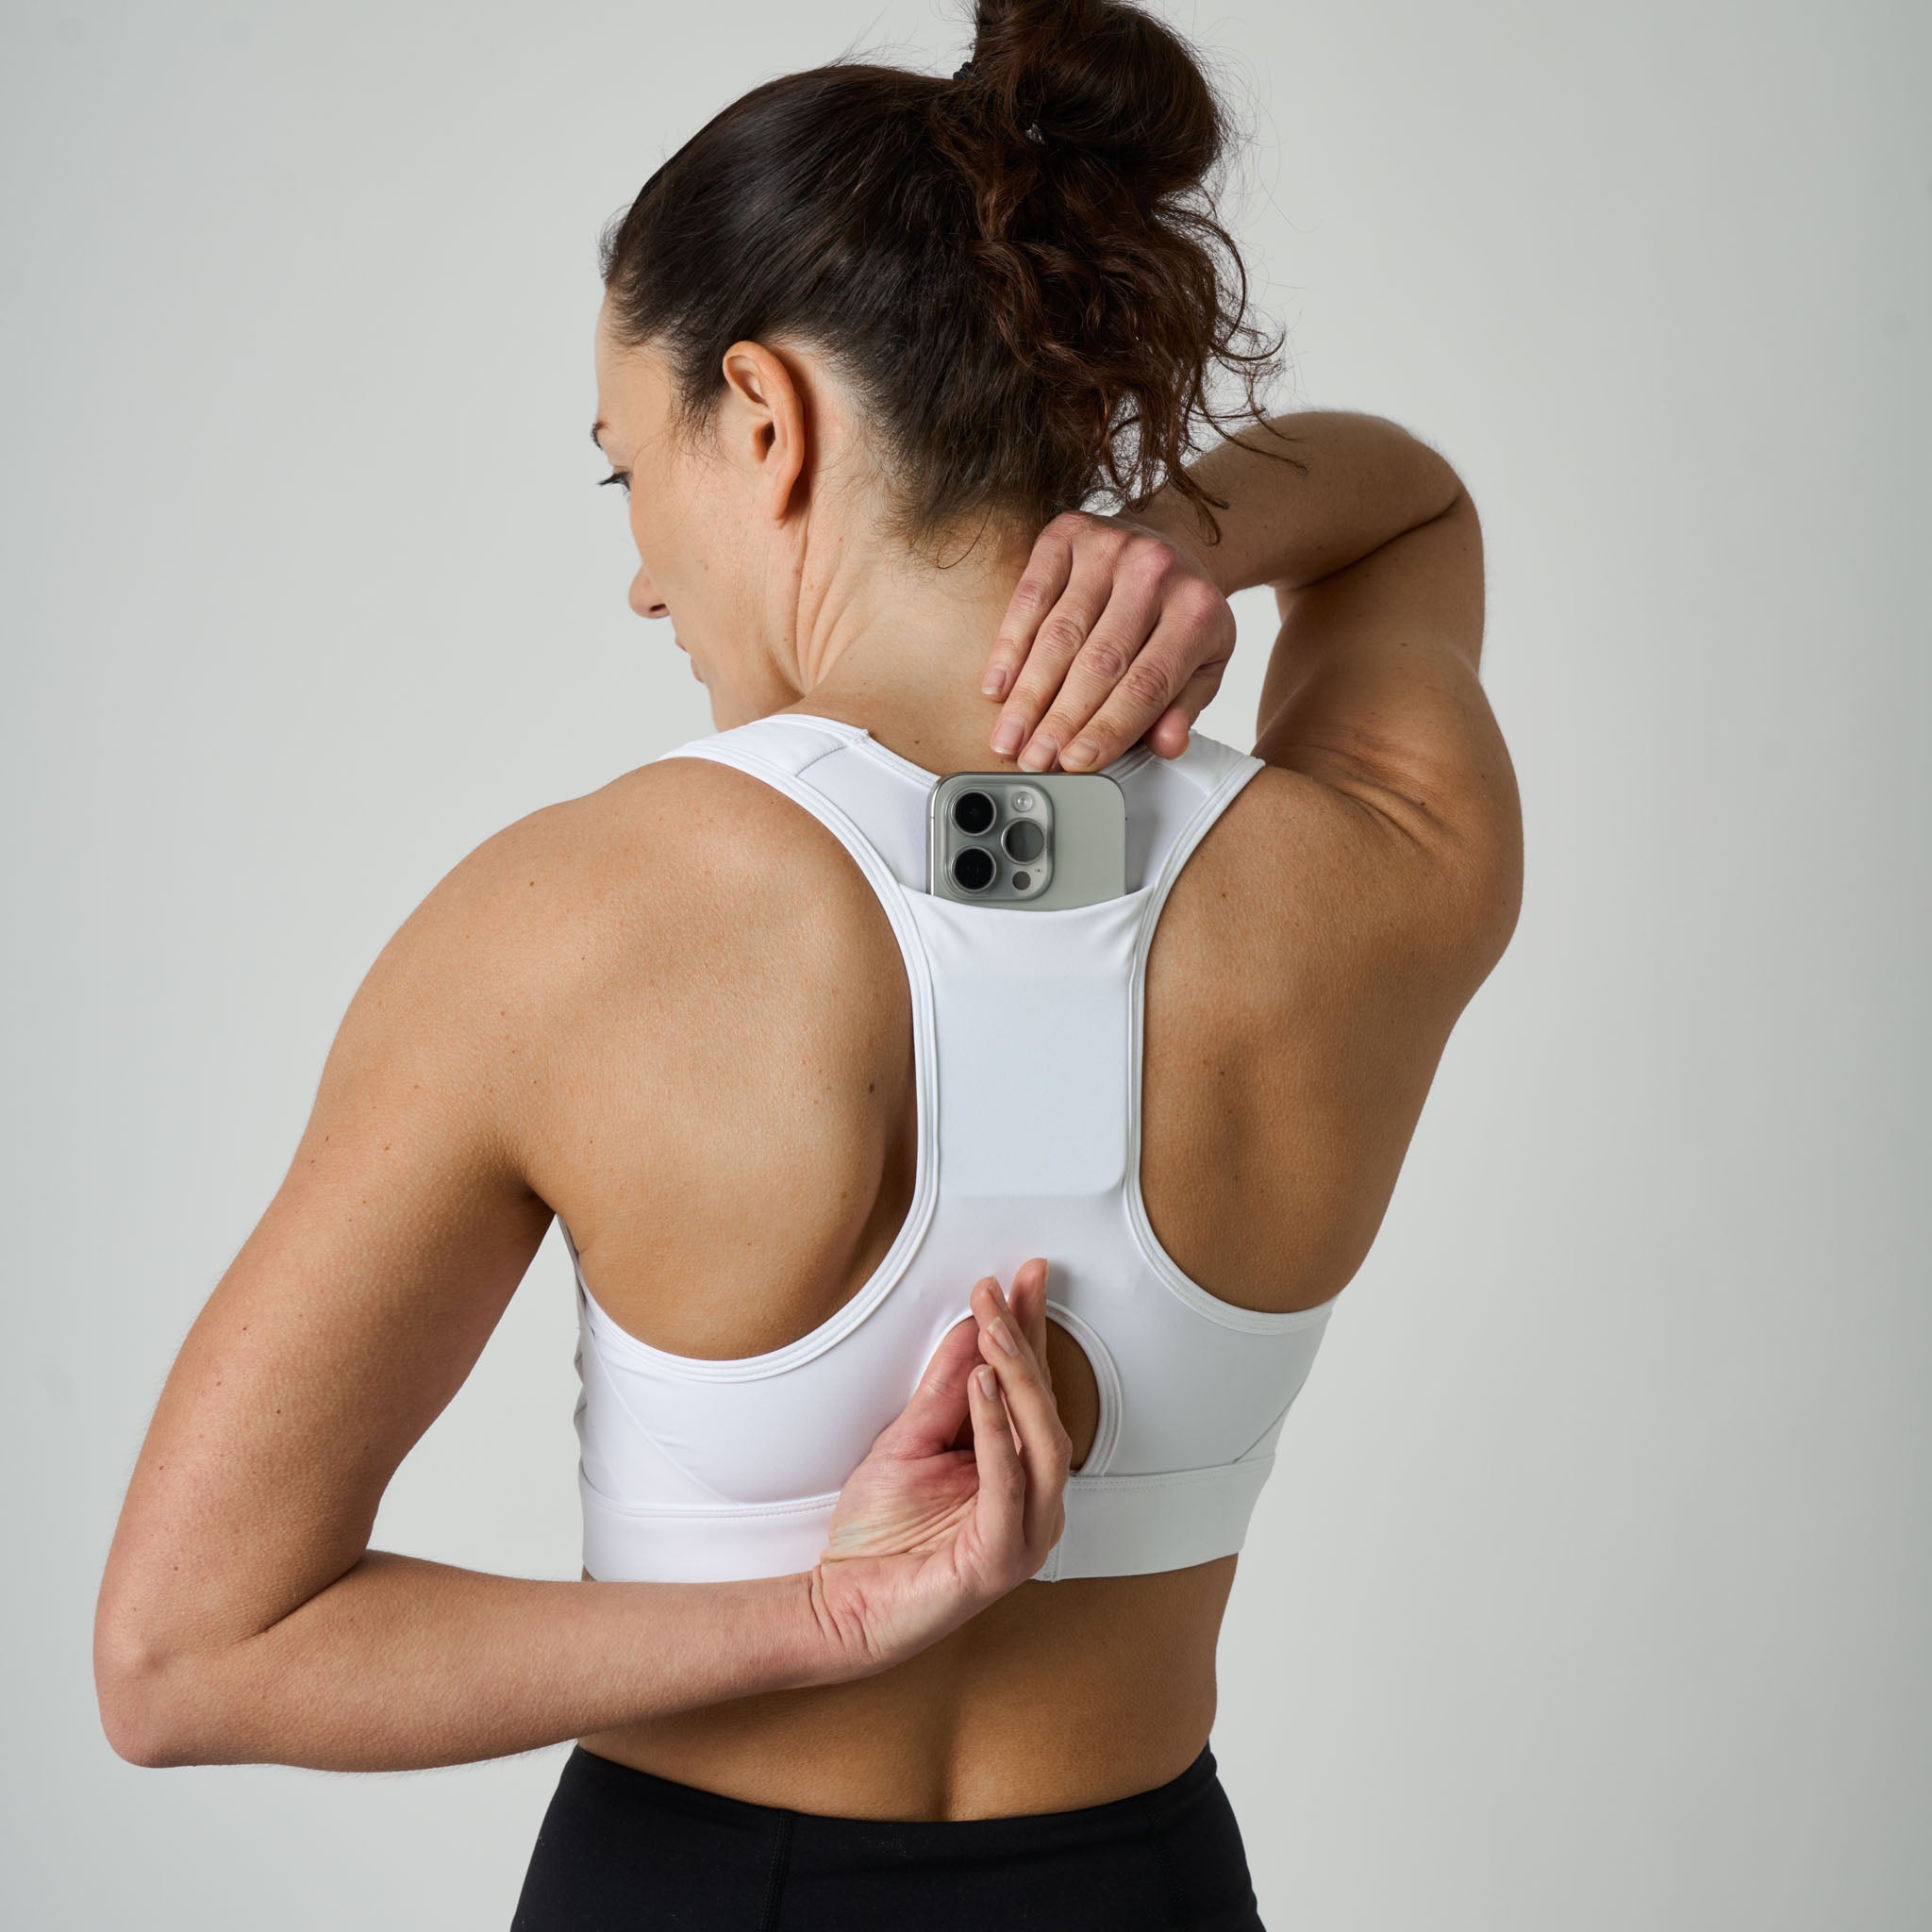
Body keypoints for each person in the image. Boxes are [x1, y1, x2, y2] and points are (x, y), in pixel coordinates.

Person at [94, 2, 1522, 1925]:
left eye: (630, 472)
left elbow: (187, 1656)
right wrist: (1165, 540)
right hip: (1150, 1881)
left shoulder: (565, 926)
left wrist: (822, 1613)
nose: (642, 573)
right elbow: (1410, 504)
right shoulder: (1378, 870)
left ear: (760, 417)